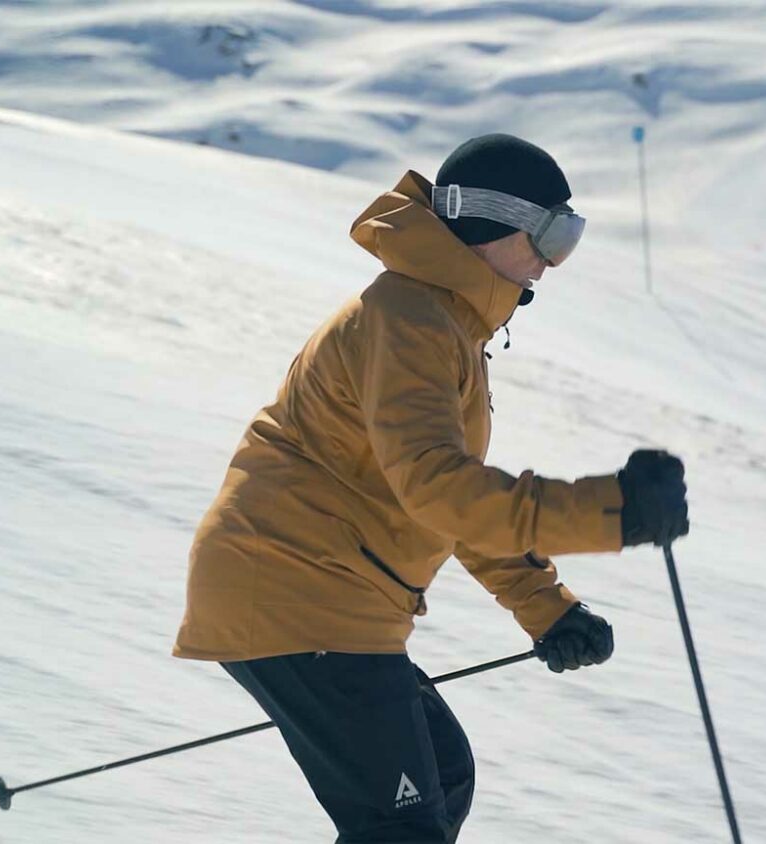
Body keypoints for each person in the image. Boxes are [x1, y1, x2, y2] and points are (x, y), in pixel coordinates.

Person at [172, 133, 690, 843]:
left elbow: (449, 505)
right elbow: (442, 493)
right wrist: (616, 512)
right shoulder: (409, 319)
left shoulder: (443, 322)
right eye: (550, 234)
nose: (552, 261)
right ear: (488, 224)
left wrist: (548, 609)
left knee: (441, 778)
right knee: (402, 827)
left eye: (568, 237)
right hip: (294, 588)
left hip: (318, 594)